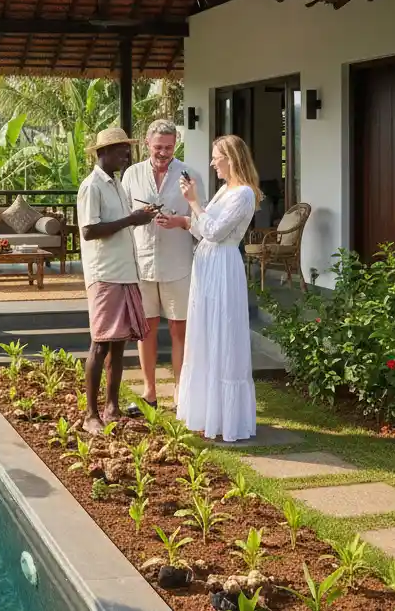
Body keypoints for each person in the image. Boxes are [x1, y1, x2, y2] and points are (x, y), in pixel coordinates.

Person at [172, 134, 261, 442]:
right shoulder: (225, 190)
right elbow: (202, 229)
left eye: (216, 158)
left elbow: (215, 231)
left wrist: (194, 202)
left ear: (231, 159)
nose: (212, 163)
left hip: (223, 267)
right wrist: (185, 219)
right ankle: (206, 413)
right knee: (205, 335)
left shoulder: (244, 194)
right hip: (207, 265)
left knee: (223, 335)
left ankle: (227, 419)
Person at [76, 127, 157, 435]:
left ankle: (112, 407)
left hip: (125, 272)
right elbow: (89, 230)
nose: (126, 155)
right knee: (100, 344)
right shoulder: (92, 187)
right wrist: (131, 220)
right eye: (121, 151)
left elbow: (119, 225)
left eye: (127, 150)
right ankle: (91, 414)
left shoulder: (118, 186)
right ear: (103, 153)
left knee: (119, 344)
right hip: (105, 274)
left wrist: (138, 215)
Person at [122, 119, 200, 410]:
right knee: (146, 329)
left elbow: (202, 220)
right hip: (142, 263)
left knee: (180, 330)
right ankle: (149, 391)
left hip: (178, 264)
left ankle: (181, 390)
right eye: (158, 147)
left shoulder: (189, 174)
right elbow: (125, 217)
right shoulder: (131, 174)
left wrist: (179, 222)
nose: (163, 152)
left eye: (168, 147)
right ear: (147, 144)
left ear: (175, 145)